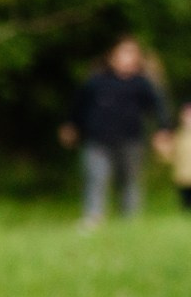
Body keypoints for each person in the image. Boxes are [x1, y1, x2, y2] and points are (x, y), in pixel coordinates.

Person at [59, 36, 170, 224]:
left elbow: (159, 108)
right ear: (111, 56)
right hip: (97, 140)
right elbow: (78, 105)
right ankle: (93, 217)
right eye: (123, 52)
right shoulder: (96, 81)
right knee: (95, 177)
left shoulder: (142, 84)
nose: (127, 57)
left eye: (132, 53)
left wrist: (163, 131)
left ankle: (129, 220)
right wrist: (70, 125)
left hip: (130, 140)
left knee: (128, 181)